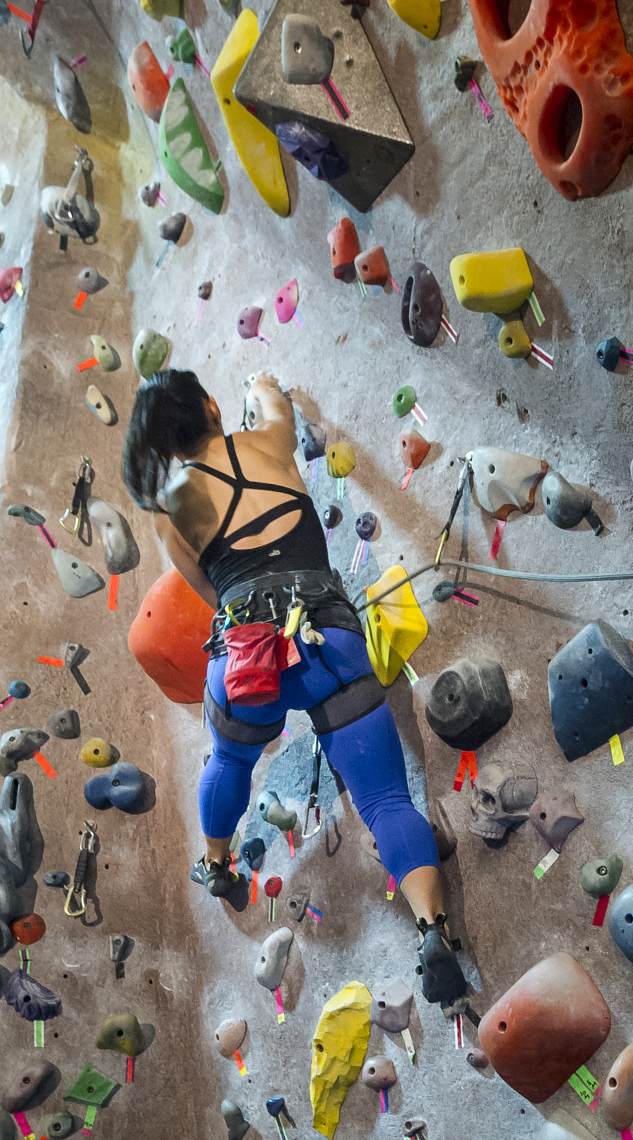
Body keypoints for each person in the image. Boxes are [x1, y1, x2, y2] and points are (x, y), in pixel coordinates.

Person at [122, 366, 468, 1007]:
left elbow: (212, 599)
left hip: (247, 656)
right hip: (328, 640)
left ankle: (218, 864)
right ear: (211, 407)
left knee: (230, 758)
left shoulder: (171, 510)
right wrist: (260, 382)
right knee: (387, 800)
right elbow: (275, 402)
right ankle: (432, 928)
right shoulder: (268, 443)